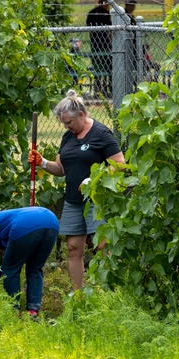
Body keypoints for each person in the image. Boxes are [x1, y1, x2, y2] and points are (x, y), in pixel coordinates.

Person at [29, 90, 126, 290]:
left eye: (69, 122)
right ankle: (78, 296)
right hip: (73, 201)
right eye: (64, 123)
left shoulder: (101, 133)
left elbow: (120, 165)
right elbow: (62, 169)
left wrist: (95, 179)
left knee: (102, 246)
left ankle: (110, 294)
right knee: (73, 248)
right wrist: (43, 162)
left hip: (96, 200)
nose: (66, 127)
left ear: (81, 115)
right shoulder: (68, 137)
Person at [0, 207, 60, 321]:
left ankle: (13, 312)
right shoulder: (1, 217)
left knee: (11, 270)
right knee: (35, 268)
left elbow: (7, 266)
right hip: (52, 221)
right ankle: (33, 312)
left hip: (25, 224)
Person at [85, 0, 112, 97]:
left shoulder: (91, 13)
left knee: (97, 70)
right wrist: (111, 43)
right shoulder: (106, 14)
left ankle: (97, 91)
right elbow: (109, 31)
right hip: (104, 44)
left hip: (95, 45)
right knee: (105, 69)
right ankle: (104, 91)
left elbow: (87, 26)